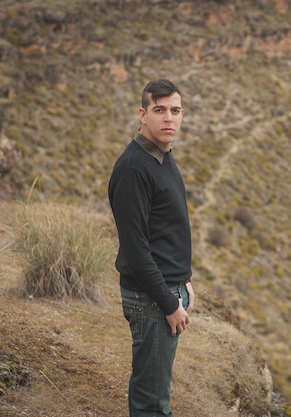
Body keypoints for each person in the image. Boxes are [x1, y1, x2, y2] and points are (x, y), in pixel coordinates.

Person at [108, 79, 195, 417]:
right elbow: (136, 249)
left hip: (166, 290)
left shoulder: (163, 156)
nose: (168, 118)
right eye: (159, 110)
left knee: (156, 389)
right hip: (152, 299)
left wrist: (185, 280)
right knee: (151, 402)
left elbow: (168, 229)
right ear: (143, 114)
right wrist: (170, 302)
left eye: (175, 111)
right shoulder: (134, 169)